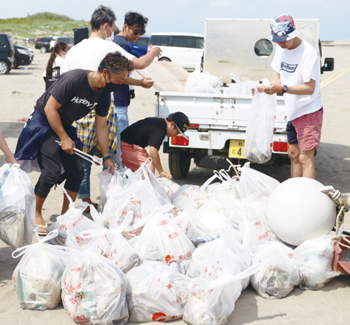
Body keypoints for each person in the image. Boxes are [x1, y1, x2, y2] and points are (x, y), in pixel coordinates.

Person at [15, 52, 133, 234]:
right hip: (43, 120)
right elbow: (49, 108)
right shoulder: (74, 79)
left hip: (65, 124)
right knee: (52, 172)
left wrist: (107, 155)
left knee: (77, 172)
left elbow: (101, 127)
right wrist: (64, 138)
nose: (121, 84)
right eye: (119, 80)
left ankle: (66, 217)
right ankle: (36, 213)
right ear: (105, 72)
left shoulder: (104, 95)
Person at [61, 5, 160, 209]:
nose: (113, 33)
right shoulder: (106, 46)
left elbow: (63, 81)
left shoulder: (75, 49)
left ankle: (85, 200)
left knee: (83, 159)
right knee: (113, 155)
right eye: (113, 28)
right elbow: (139, 64)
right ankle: (117, 198)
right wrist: (154, 53)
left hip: (76, 112)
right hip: (101, 108)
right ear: (106, 26)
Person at [259, 15, 323, 179]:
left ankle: (306, 196)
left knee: (305, 158)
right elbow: (279, 77)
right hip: (293, 112)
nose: (280, 43)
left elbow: (310, 88)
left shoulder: (308, 53)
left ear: (293, 33)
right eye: (277, 40)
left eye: (283, 40)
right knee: (293, 155)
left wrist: (283, 88)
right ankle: (295, 191)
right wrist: (267, 87)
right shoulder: (281, 49)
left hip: (308, 112)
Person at [120, 112, 190, 179]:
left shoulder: (159, 123)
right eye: (177, 132)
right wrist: (161, 171)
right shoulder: (160, 129)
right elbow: (153, 152)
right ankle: (140, 190)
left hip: (124, 145)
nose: (175, 135)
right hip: (126, 146)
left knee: (147, 168)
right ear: (172, 124)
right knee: (148, 168)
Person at [113, 11, 149, 133]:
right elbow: (120, 76)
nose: (138, 35)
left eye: (141, 32)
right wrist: (141, 82)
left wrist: (131, 89)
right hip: (118, 99)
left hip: (116, 97)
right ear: (125, 27)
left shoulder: (116, 41)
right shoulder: (123, 45)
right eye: (136, 31)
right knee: (122, 140)